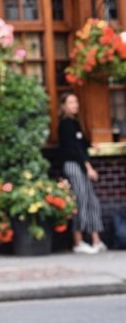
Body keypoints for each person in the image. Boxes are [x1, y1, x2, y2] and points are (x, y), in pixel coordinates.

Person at [58, 91, 106, 254]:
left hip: (80, 165)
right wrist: (88, 167)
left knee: (91, 201)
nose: (75, 105)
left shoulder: (75, 123)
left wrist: (91, 143)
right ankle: (78, 241)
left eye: (76, 102)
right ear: (63, 106)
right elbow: (74, 150)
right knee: (80, 202)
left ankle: (96, 240)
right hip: (73, 166)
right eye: (71, 102)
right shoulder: (65, 124)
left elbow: (81, 143)